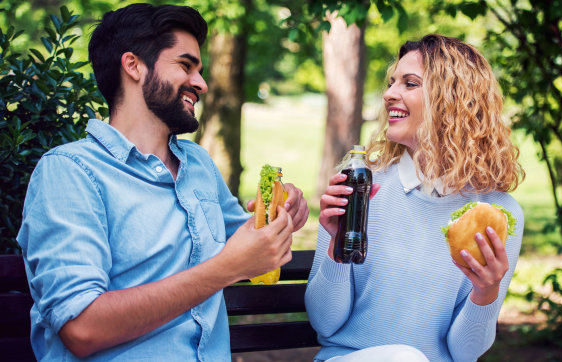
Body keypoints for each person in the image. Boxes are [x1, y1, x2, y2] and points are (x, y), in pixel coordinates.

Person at [17, 3, 308, 361]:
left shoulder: (198, 163)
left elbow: (252, 249)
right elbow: (82, 328)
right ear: (133, 65)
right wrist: (226, 268)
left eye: (199, 70)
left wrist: (283, 214)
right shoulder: (70, 172)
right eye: (185, 66)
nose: (201, 83)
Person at [305, 34, 525, 362]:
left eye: (409, 83)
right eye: (392, 82)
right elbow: (324, 324)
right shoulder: (361, 189)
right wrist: (338, 249)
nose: (389, 94)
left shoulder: (498, 214)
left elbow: (465, 353)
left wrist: (486, 292)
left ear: (452, 99)